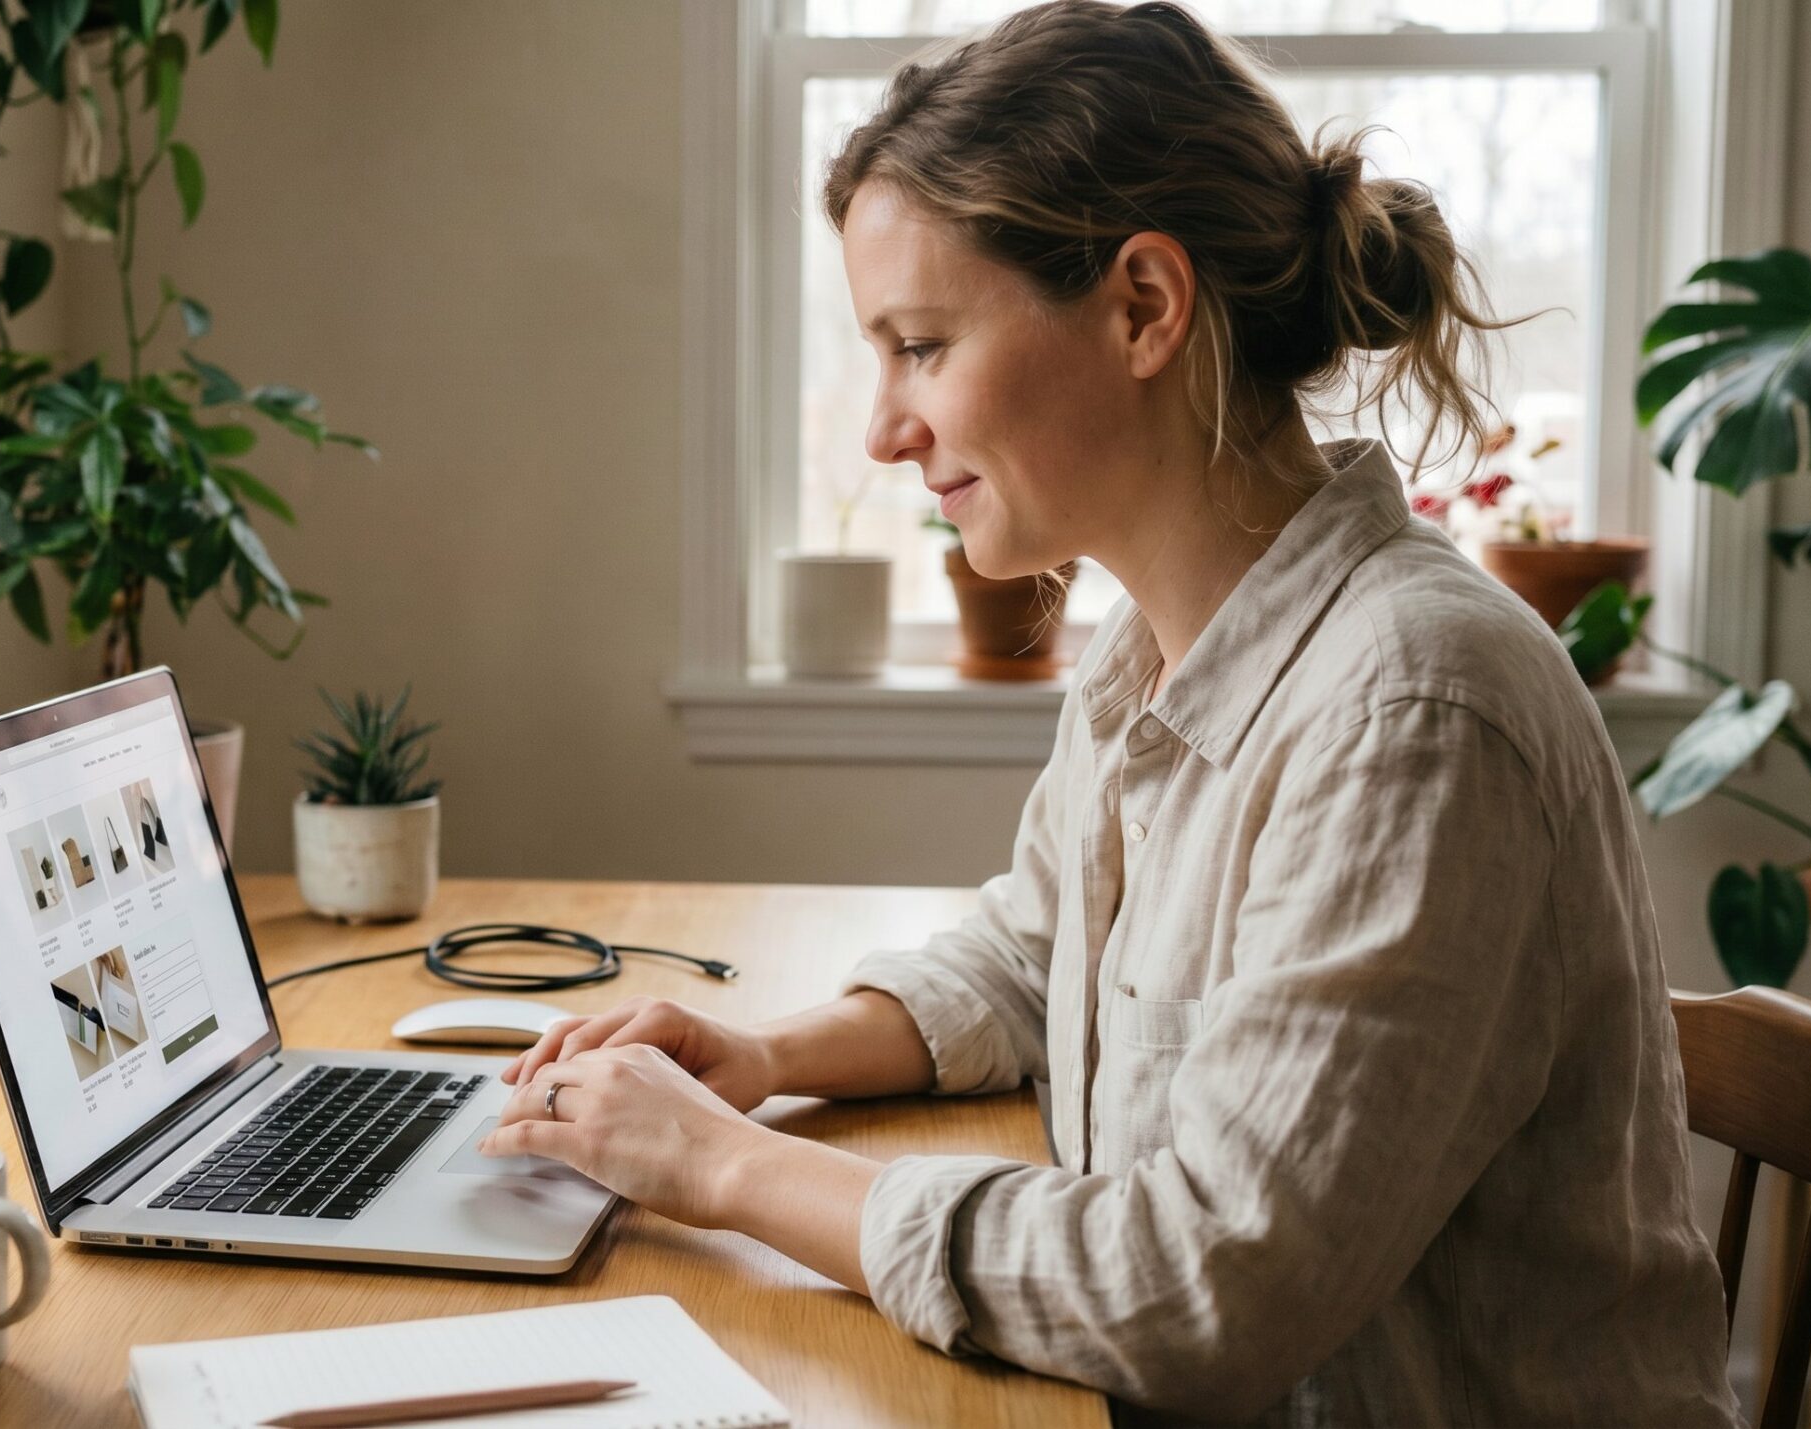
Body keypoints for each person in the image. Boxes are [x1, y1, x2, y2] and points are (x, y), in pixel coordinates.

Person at [479, 2, 1739, 1423]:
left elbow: (1199, 1288)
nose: (885, 426)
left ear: (1144, 305)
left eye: (921, 344)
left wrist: (721, 1168)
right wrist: (766, 1058)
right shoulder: (1157, 641)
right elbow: (1033, 953)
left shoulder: (1416, 712)